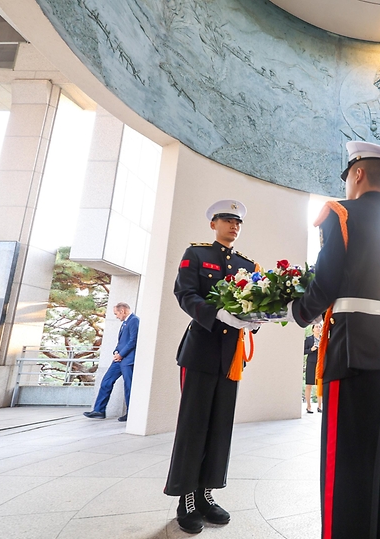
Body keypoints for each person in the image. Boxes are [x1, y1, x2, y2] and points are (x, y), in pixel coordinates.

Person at [288, 141, 380, 539]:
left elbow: (326, 280)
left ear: (357, 173)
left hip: (351, 350)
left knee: (344, 465)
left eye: (347, 175)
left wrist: (294, 311)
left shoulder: (341, 212)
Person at [163, 199, 260, 534]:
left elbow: (254, 303)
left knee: (220, 426)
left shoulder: (247, 264)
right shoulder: (197, 254)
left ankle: (205, 495)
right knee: (194, 427)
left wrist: (254, 320)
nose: (234, 226)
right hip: (201, 351)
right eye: (227, 220)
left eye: (238, 222)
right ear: (213, 224)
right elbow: (185, 293)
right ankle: (186, 500)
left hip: (230, 356)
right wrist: (216, 313)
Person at [83, 303, 139, 421]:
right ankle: (99, 410)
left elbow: (133, 340)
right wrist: (116, 352)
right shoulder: (124, 323)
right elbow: (122, 342)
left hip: (127, 360)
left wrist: (121, 354)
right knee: (106, 381)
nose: (116, 316)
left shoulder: (134, 320)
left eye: (116, 314)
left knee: (129, 386)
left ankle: (131, 413)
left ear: (122, 311)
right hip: (118, 360)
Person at [304, 324, 322, 413]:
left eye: (320, 327)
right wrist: (311, 350)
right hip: (311, 363)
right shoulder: (308, 339)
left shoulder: (324, 339)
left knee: (320, 384)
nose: (318, 328)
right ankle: (308, 406)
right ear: (313, 329)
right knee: (309, 385)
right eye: (317, 327)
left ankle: (319, 406)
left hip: (321, 363)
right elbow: (303, 351)